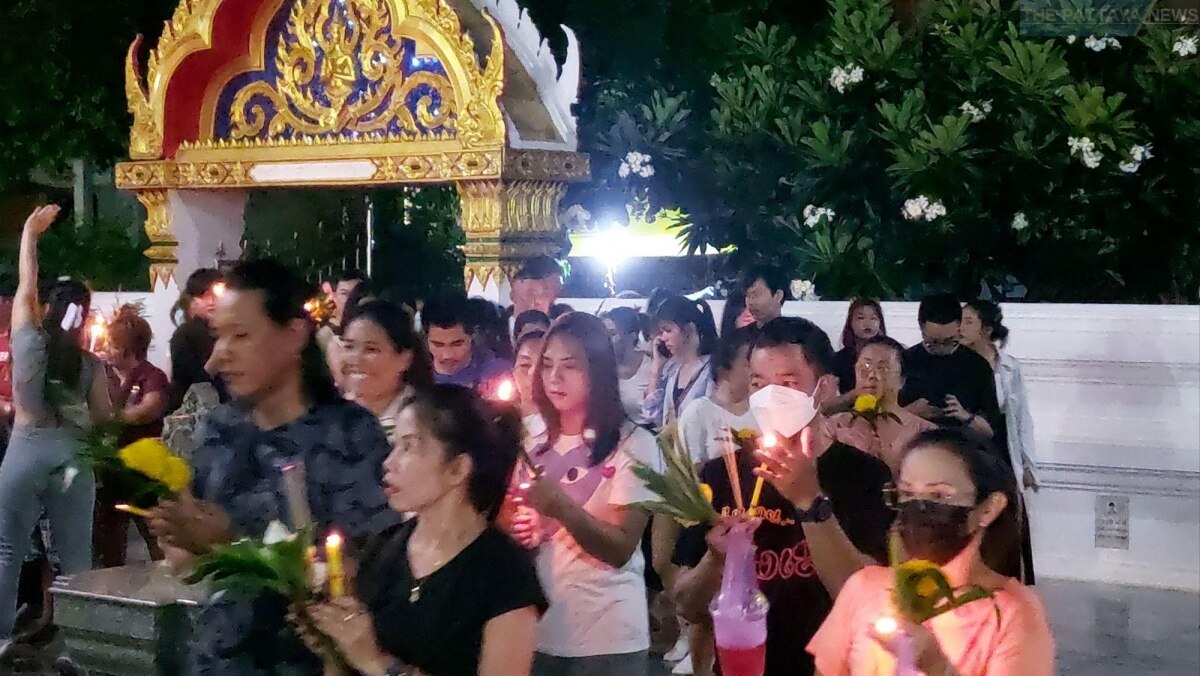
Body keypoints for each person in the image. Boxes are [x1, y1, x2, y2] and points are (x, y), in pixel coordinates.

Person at [148, 258, 400, 674]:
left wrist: (229, 541)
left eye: (241, 336)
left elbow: (360, 574)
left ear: (294, 334)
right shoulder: (218, 430)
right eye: (218, 336)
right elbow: (190, 567)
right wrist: (181, 539)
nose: (219, 357)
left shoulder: (350, 435)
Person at [672, 317, 883, 676]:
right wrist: (715, 560)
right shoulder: (722, 474)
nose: (770, 397)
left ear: (825, 387)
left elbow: (867, 599)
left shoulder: (863, 475)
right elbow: (688, 606)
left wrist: (810, 502)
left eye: (787, 383)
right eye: (758, 383)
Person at [304, 385, 548, 676]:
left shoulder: (504, 572)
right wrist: (334, 649)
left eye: (408, 447)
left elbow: (371, 659)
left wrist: (378, 662)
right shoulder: (381, 550)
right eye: (394, 446)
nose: (388, 463)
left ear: (458, 469)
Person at [807, 429, 1055, 675]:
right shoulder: (865, 587)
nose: (919, 508)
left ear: (988, 509)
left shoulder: (1009, 613)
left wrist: (938, 667)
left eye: (939, 495)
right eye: (907, 493)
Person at [508, 311, 662, 675]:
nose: (553, 378)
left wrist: (561, 508)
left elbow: (621, 547)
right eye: (546, 365)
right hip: (537, 630)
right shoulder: (529, 435)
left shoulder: (633, 443)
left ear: (597, 369)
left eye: (569, 366)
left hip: (607, 637)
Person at [0, 206, 114, 652]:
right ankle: (76, 647)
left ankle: (2, 639)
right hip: (71, 458)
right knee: (75, 561)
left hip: (25, 450)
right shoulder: (91, 365)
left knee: (7, 551)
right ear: (84, 318)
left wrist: (30, 232)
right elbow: (106, 421)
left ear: (48, 308)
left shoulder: (28, 342)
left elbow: (26, 285)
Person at [960, 299, 1039, 583]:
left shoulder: (1008, 366)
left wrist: (1029, 464)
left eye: (969, 321)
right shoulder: (961, 364)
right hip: (974, 447)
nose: (961, 326)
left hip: (1003, 447)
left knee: (1010, 514)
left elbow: (1020, 417)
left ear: (986, 328)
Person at [94, 305, 170, 567]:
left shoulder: (152, 376)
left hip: (143, 471)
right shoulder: (102, 376)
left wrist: (109, 419)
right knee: (111, 541)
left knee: (155, 536)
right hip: (110, 469)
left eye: (112, 345)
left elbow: (148, 409)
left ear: (128, 350)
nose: (107, 351)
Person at [819, 336, 935, 474]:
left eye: (883, 368)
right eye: (865, 367)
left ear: (902, 380)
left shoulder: (925, 432)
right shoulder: (834, 427)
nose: (872, 375)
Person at [900, 294, 1000, 442]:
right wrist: (910, 412)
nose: (941, 348)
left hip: (963, 448)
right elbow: (880, 418)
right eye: (933, 342)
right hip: (912, 445)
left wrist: (965, 416)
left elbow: (993, 431)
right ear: (921, 327)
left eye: (949, 341)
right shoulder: (904, 361)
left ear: (959, 326)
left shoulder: (977, 366)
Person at [342, 300, 433, 443]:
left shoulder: (426, 422)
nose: (356, 359)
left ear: (405, 359)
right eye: (349, 347)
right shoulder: (330, 416)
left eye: (371, 349)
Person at [676, 326, 760, 465]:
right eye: (748, 363)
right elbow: (687, 472)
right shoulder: (699, 411)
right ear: (724, 371)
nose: (755, 371)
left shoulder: (764, 410)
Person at [643, 296, 718, 429]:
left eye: (668, 330)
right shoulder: (673, 370)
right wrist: (657, 368)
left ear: (689, 329)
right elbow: (653, 415)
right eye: (662, 331)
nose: (663, 337)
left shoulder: (712, 370)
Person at [423, 297, 511, 391]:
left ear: (473, 335)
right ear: (425, 339)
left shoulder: (498, 374)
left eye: (457, 344)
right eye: (438, 345)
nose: (447, 355)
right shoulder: (413, 375)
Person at [169, 267, 226, 410]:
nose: (212, 301)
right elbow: (185, 385)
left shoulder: (232, 330)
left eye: (217, 294)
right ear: (193, 300)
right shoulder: (185, 334)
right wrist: (214, 361)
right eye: (204, 295)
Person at [601, 307, 653, 426]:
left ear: (632, 336)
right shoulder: (600, 367)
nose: (606, 340)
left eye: (612, 334)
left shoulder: (652, 367)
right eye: (603, 334)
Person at [832, 298, 888, 395]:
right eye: (861, 318)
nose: (868, 323)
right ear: (850, 323)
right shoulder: (839, 360)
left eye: (873, 318)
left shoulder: (891, 354)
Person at [513, 330, 547, 438]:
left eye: (543, 365)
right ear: (513, 372)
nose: (532, 375)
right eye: (525, 365)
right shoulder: (498, 422)